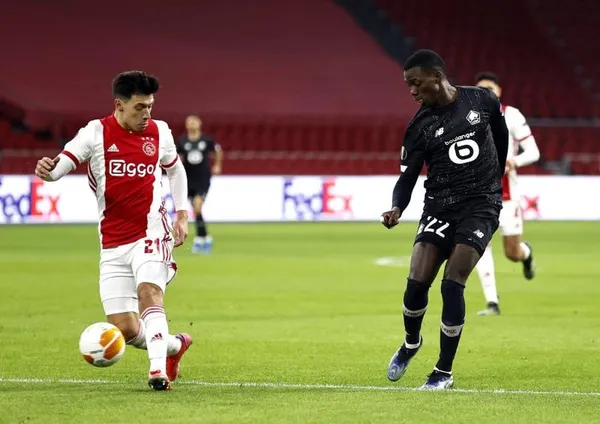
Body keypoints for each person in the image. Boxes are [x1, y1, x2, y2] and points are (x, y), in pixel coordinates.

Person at [34, 71, 192, 391]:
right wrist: (47, 172)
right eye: (139, 107)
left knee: (149, 292)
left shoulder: (160, 132)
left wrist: (182, 214)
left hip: (151, 230)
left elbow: (175, 170)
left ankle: (157, 372)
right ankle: (175, 345)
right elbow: (59, 168)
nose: (146, 114)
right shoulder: (94, 133)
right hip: (112, 242)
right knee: (126, 329)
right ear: (119, 105)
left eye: (150, 106)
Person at [380, 50, 508, 390]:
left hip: (480, 206)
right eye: (408, 85)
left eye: (416, 83)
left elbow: (501, 135)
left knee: (452, 283)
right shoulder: (419, 126)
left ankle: (442, 372)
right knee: (416, 284)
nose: (411, 91)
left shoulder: (481, 100)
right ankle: (411, 343)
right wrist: (397, 207)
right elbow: (407, 177)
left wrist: (495, 179)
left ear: (436, 77)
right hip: (438, 207)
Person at [473, 72, 539, 316]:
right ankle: (492, 302)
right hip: (478, 195)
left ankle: (526, 254)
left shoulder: (512, 115)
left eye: (490, 88)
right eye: (480, 89)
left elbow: (533, 152)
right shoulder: (468, 117)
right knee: (480, 245)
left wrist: (513, 161)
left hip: (507, 196)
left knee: (512, 252)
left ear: (499, 91)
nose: (486, 92)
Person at [177, 115, 223, 253]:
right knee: (196, 210)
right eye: (189, 122)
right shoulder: (182, 141)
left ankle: (199, 239)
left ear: (199, 124)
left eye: (194, 121)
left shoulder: (206, 140)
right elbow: (176, 157)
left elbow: (217, 151)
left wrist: (217, 165)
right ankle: (205, 237)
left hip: (202, 178)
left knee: (197, 207)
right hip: (188, 179)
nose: (192, 124)